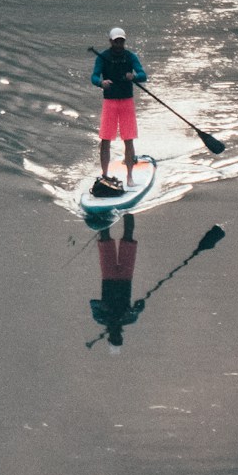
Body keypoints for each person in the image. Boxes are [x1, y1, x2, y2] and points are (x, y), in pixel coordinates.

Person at [90, 26, 147, 180]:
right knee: (105, 139)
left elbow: (143, 75)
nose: (119, 44)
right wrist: (101, 83)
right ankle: (104, 175)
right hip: (110, 102)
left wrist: (133, 77)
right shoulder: (102, 57)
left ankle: (129, 176)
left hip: (126, 102)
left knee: (128, 139)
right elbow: (94, 77)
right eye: (116, 41)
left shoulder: (130, 57)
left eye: (121, 41)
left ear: (124, 41)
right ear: (110, 41)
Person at [91, 215, 142, 353]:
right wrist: (134, 309)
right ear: (121, 337)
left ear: (109, 337)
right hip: (126, 277)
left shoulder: (101, 318)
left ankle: (104, 212)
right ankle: (129, 211)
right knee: (128, 237)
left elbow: (93, 303)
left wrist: (106, 308)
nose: (116, 336)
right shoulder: (129, 318)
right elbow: (140, 304)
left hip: (108, 277)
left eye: (114, 339)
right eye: (118, 339)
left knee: (105, 238)